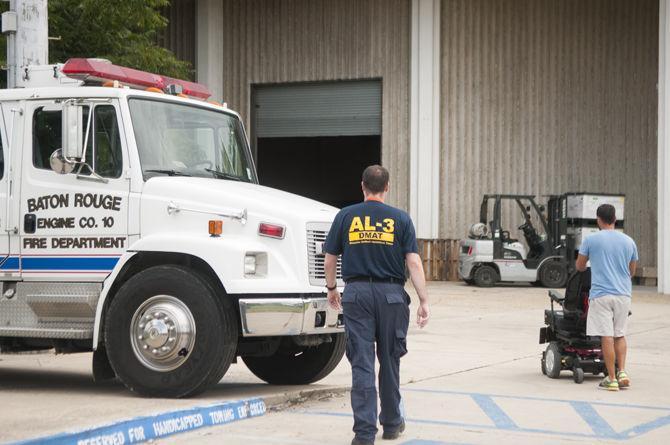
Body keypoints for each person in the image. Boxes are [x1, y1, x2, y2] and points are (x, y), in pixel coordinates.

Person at [323, 165, 430, 445]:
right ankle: (392, 424)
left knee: (362, 363)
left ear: (362, 186)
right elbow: (414, 262)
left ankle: (364, 434)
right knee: (390, 360)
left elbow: (331, 258)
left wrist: (332, 288)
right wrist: (423, 300)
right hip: (392, 296)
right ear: (387, 187)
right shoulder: (401, 219)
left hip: (356, 294)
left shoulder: (345, 216)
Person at [575, 203, 638, 391]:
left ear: (598, 220)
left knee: (607, 336)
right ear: (615, 220)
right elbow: (632, 271)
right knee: (620, 334)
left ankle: (611, 378)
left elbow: (580, 266)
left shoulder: (591, 240)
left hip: (601, 294)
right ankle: (623, 371)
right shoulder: (629, 241)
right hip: (623, 294)